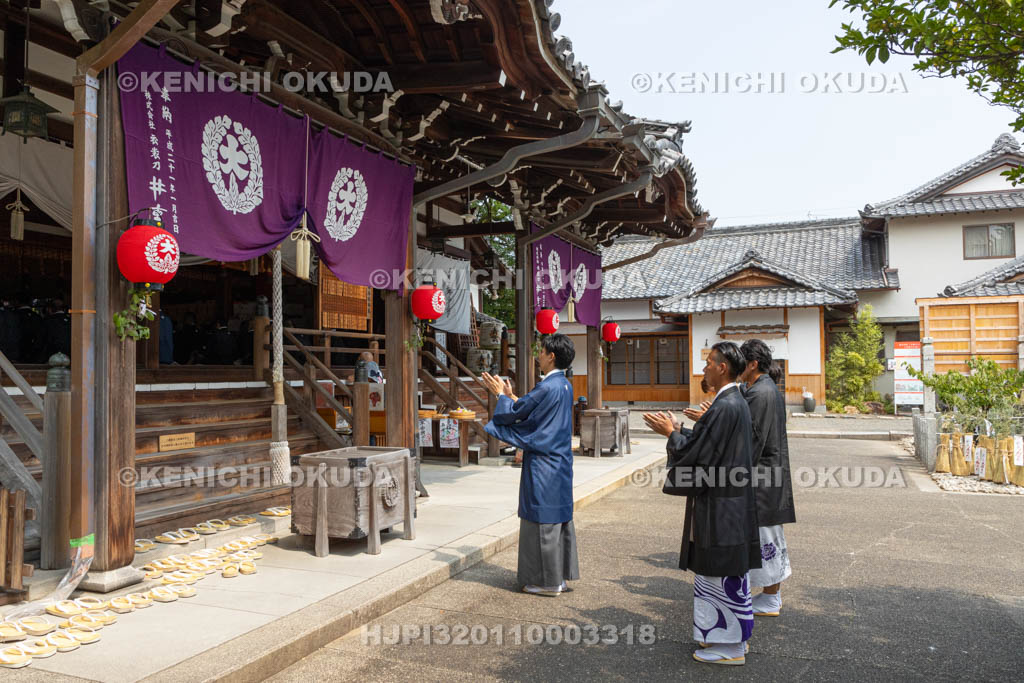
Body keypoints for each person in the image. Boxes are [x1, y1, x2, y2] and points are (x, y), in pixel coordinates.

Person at [643, 341, 761, 666]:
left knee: (719, 573)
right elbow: (708, 444)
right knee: (727, 574)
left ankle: (730, 645)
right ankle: (733, 639)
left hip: (722, 506)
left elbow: (701, 455)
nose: (705, 367)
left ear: (723, 367)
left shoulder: (726, 405)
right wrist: (680, 429)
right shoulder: (732, 402)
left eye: (709, 362)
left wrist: (670, 434)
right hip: (729, 502)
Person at [480, 334, 578, 597]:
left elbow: (517, 415)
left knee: (541, 519)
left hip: (543, 463)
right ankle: (558, 578)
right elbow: (534, 412)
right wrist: (513, 397)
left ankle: (547, 583)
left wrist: (501, 395)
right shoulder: (564, 385)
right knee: (557, 518)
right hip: (560, 462)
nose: (538, 355)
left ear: (551, 356)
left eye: (541, 351)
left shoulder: (547, 386)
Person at [738, 340, 795, 617]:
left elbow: (751, 439)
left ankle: (771, 598)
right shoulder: (765, 388)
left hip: (762, 478)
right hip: (770, 474)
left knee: (766, 539)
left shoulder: (759, 393)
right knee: (769, 538)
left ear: (752, 364)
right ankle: (771, 596)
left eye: (741, 363)